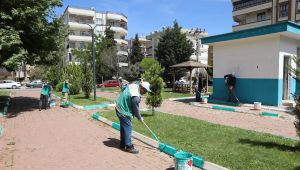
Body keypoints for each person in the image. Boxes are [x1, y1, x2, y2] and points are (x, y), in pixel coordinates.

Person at [115, 81, 152, 154]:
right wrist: (139, 117)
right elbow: (136, 110)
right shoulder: (136, 97)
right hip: (122, 109)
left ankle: (122, 144)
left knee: (124, 126)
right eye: (145, 90)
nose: (146, 92)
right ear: (141, 87)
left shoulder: (134, 85)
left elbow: (124, 86)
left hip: (118, 106)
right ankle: (129, 146)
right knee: (128, 126)